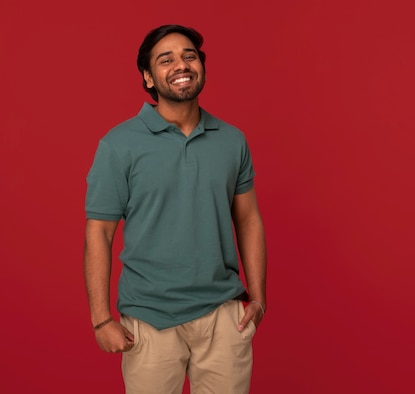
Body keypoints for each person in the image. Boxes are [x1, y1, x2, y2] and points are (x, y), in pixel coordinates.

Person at [83, 24, 267, 394]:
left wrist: (259, 297)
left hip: (223, 315)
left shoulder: (232, 140)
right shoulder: (119, 145)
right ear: (149, 77)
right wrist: (102, 319)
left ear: (201, 66)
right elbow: (99, 233)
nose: (180, 65)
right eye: (165, 60)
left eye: (189, 56)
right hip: (149, 320)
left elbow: (247, 219)